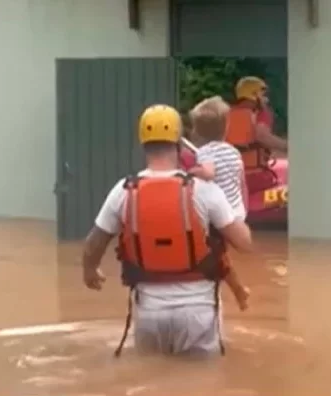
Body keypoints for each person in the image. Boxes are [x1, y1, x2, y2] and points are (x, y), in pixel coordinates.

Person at [82, 104, 254, 357]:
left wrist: (90, 270)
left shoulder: (124, 190)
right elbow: (244, 243)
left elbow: (94, 243)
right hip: (199, 313)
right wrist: (235, 208)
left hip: (149, 313)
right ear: (179, 143)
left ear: (142, 144)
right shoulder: (205, 190)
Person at [186, 96, 251, 311]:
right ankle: (239, 291)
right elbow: (241, 183)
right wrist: (243, 211)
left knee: (216, 256)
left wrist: (193, 173)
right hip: (237, 212)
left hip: (219, 215)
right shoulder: (233, 152)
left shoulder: (206, 152)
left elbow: (209, 173)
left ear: (197, 132)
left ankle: (239, 291)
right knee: (221, 255)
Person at [226, 77, 287, 192]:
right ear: (254, 94)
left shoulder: (227, 114)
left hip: (233, 177)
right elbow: (262, 136)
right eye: (263, 94)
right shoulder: (260, 113)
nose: (266, 99)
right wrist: (287, 146)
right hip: (257, 178)